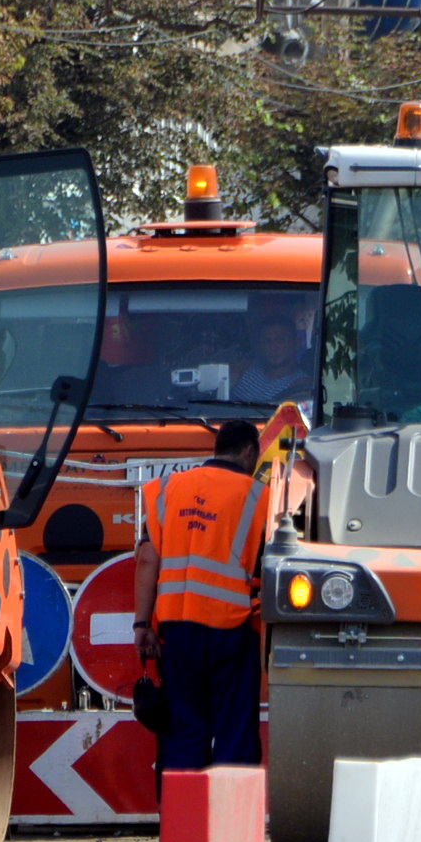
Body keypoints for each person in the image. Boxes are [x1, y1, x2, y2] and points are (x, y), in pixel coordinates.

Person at [133, 418, 275, 773]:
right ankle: (229, 824)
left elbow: (147, 559)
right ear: (249, 452)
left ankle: (184, 824)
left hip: (177, 631)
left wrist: (141, 624)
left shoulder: (166, 489)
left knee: (183, 730)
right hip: (233, 628)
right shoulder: (261, 498)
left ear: (217, 449)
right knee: (235, 731)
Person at [232, 304, 314, 408]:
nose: (273, 347)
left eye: (280, 340)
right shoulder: (244, 367)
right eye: (267, 341)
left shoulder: (301, 384)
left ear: (296, 344)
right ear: (260, 345)